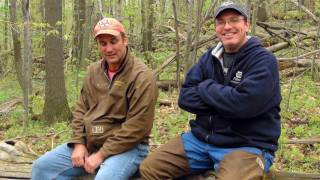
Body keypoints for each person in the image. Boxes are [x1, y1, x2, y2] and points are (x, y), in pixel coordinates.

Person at [140, 1, 281, 179]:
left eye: (234, 20)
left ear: (246, 24)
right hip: (201, 140)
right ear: (216, 27)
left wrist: (206, 87)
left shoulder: (262, 60)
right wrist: (227, 101)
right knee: (150, 168)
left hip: (246, 145)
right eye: (221, 22)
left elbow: (244, 105)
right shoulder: (210, 57)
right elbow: (185, 97)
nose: (227, 26)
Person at [32, 17, 158, 180]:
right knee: (42, 168)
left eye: (114, 41)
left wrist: (101, 155)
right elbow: (80, 111)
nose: (109, 48)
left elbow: (138, 127)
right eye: (103, 43)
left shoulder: (141, 77)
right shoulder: (93, 71)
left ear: (125, 40)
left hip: (128, 148)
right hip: (91, 144)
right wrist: (78, 143)